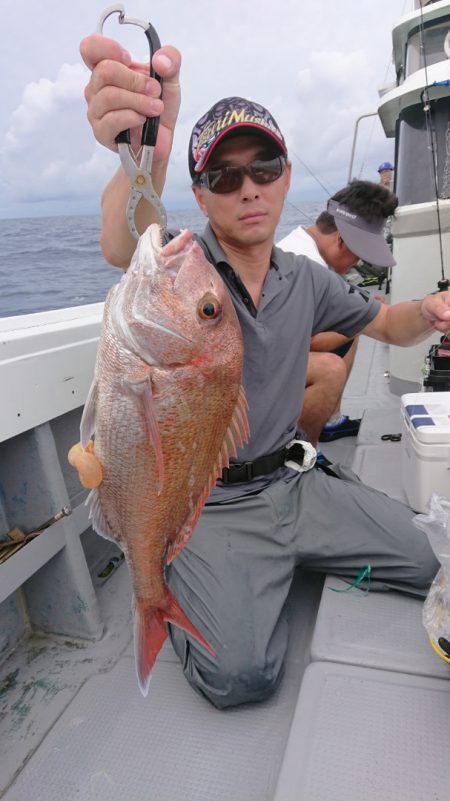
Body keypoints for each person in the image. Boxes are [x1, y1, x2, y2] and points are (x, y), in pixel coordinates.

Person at [80, 33, 450, 710]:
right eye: (223, 176)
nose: (247, 188)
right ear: (199, 189)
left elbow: (388, 323)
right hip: (211, 504)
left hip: (294, 480)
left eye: (265, 166)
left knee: (436, 558)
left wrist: (428, 308)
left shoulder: (306, 277)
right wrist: (141, 161)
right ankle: (187, 567)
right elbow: (124, 237)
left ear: (284, 174)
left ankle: (291, 560)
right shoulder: (183, 270)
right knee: (241, 678)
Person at [277, 180, 397, 449]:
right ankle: (298, 452)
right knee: (331, 369)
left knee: (352, 323)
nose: (359, 263)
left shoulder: (309, 248)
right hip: (263, 371)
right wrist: (364, 320)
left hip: (279, 357)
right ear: (341, 239)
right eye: (360, 254)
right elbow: (306, 344)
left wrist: (359, 315)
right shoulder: (301, 264)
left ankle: (329, 420)